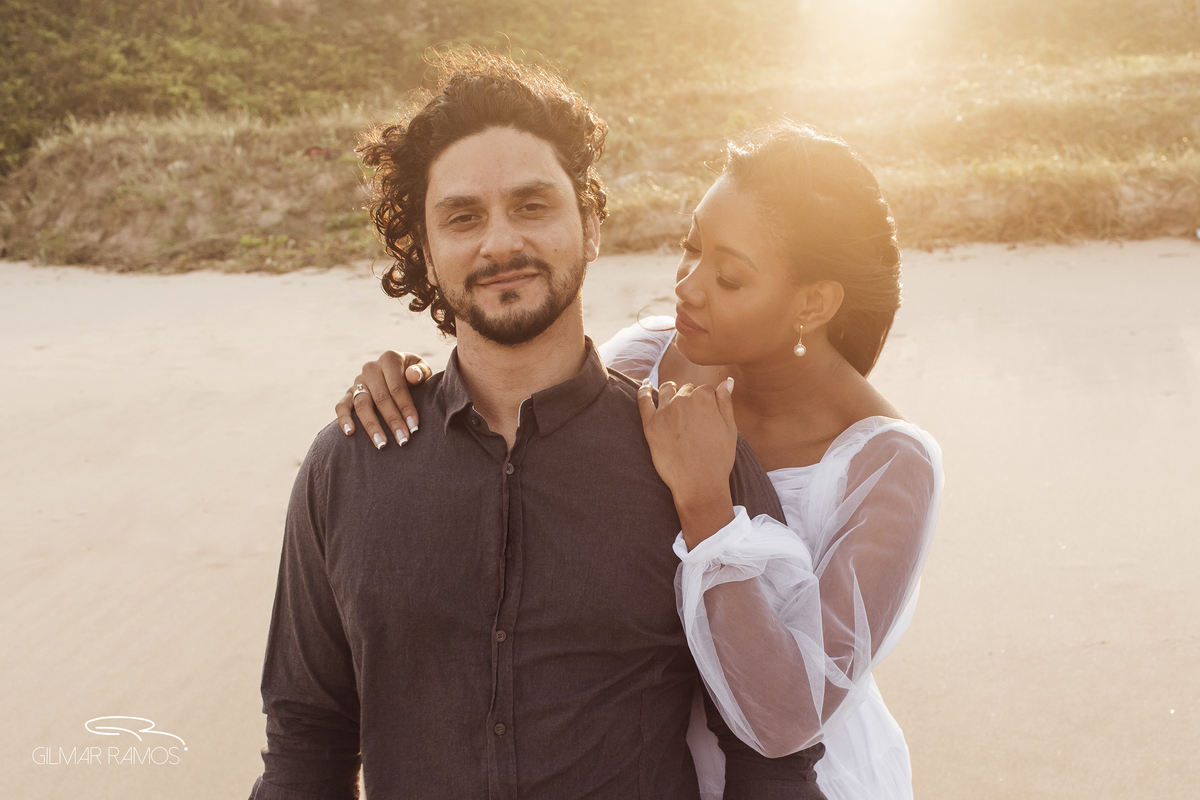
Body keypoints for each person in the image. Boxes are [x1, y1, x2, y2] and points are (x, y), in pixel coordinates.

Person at [249, 50, 828, 800]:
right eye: (462, 217)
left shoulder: (697, 463)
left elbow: (774, 757)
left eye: (532, 206)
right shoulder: (346, 466)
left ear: (589, 224)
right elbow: (305, 745)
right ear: (425, 250)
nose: (499, 243)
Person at [339, 120, 943, 800]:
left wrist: (706, 506)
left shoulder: (888, 465)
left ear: (813, 303)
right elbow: (521, 412)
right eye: (691, 247)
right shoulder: (645, 360)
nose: (687, 286)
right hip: (638, 764)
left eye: (729, 276)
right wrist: (412, 382)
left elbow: (788, 721)